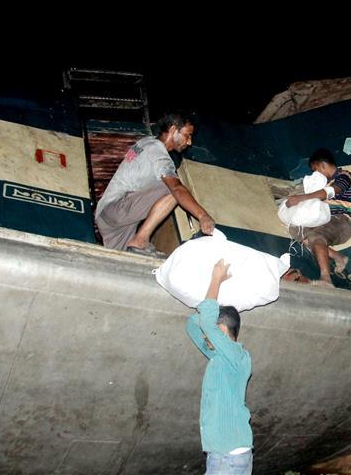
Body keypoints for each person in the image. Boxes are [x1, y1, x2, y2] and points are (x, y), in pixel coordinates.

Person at [94, 112, 215, 254]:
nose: (189, 142)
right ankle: (141, 239)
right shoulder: (159, 153)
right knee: (174, 189)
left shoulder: (145, 142)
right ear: (172, 130)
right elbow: (176, 188)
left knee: (122, 263)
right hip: (117, 208)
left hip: (110, 219)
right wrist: (202, 215)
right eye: (187, 135)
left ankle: (137, 242)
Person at [186, 260, 253, 474]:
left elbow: (205, 323)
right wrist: (210, 311)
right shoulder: (219, 357)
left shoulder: (237, 356)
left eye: (212, 331)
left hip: (227, 457)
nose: (206, 337)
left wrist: (216, 279)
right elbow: (192, 325)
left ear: (221, 329)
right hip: (229, 454)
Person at [285, 148, 351, 287]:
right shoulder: (324, 184)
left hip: (343, 221)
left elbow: (329, 192)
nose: (315, 173)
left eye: (316, 169)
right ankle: (339, 257)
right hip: (326, 221)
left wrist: (301, 198)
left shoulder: (345, 175)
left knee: (316, 237)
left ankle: (326, 278)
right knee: (299, 233)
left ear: (323, 165)